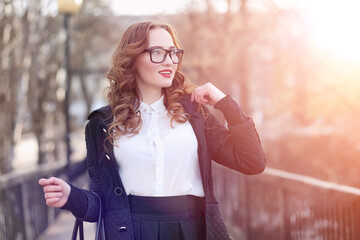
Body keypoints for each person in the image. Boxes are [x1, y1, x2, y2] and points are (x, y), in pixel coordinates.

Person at [39, 21, 266, 240]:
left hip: (192, 230)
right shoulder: (103, 124)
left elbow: (252, 161)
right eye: (157, 52)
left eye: (173, 52)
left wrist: (225, 103)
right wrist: (71, 196)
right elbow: (103, 203)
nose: (169, 61)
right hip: (130, 231)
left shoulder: (196, 115)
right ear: (132, 58)